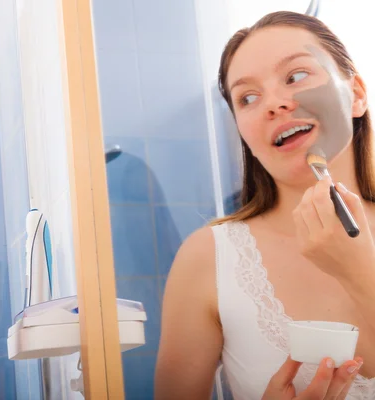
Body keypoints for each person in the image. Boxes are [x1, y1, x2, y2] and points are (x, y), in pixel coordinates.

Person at [155, 11, 375, 400]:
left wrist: (360, 272)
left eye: (295, 76)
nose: (273, 104)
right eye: (248, 98)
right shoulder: (207, 259)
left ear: (357, 94)